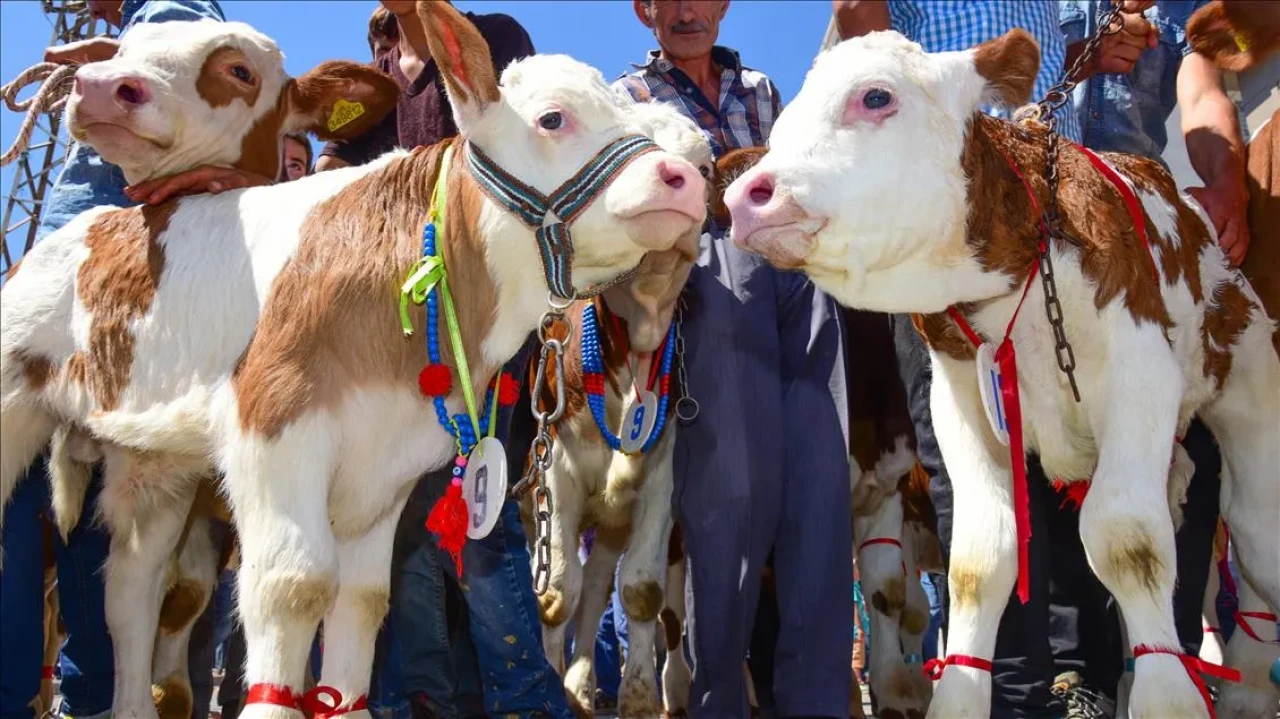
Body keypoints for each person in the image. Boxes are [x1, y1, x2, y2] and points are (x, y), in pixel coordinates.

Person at [317, 4, 566, 718]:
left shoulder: (495, 41)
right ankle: (426, 694)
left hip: (484, 329)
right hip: (389, 343)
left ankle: (519, 695)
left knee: (480, 512)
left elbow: (525, 161)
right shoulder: (370, 88)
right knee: (399, 521)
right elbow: (341, 190)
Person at [834, 2, 1082, 718]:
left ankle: (1073, 680)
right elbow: (860, 22)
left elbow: (1059, 64)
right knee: (971, 456)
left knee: (1069, 449)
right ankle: (1007, 688)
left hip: (1056, 204)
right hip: (947, 208)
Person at [614, 2, 852, 717]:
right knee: (731, 501)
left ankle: (816, 702)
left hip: (800, 265)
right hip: (710, 275)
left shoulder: (761, 88)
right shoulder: (626, 97)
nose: (688, 12)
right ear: (643, 11)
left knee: (821, 493)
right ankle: (717, 699)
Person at [0, 4, 225, 719]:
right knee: (95, 503)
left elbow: (185, 41)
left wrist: (131, 51)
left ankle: (51, 693)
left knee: (36, 495)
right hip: (124, 260)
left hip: (101, 253)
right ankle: (92, 694)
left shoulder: (160, 10)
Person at [1045, 3, 1250, 715]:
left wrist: (1228, 181)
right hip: (1047, 226)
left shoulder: (1180, 10)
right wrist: (1083, 58)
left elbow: (1201, 90)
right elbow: (1012, 84)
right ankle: (1079, 676)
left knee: (1183, 437)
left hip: (1143, 224)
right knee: (1061, 449)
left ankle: (1171, 658)